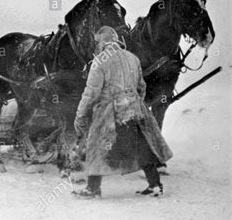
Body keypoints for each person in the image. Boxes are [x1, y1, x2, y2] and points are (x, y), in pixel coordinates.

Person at [72, 26, 172, 198]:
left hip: (108, 112)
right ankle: (155, 185)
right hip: (134, 109)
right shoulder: (132, 58)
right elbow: (142, 87)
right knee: (142, 146)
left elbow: (91, 93)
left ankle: (93, 189)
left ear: (102, 42)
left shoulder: (100, 61)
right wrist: (135, 102)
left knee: (96, 147)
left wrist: (80, 114)